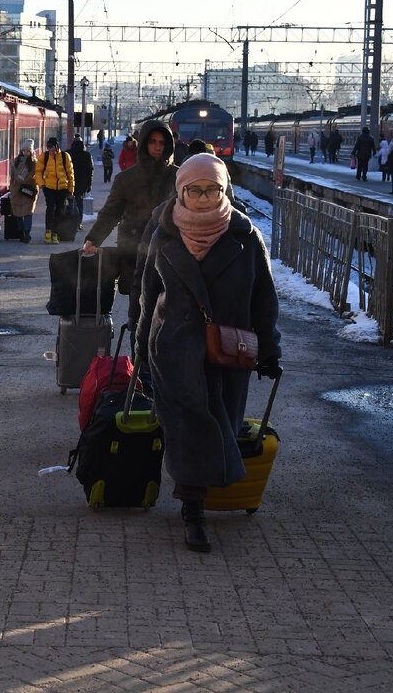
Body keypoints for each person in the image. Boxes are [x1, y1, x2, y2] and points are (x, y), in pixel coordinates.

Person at [135, 153, 281, 552]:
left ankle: (202, 499)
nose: (202, 197)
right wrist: (142, 359)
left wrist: (269, 349)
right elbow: (149, 299)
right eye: (194, 190)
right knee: (188, 429)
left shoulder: (245, 236)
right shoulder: (163, 234)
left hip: (228, 354)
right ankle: (193, 512)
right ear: (181, 190)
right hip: (174, 351)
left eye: (212, 189)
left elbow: (264, 299)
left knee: (220, 427)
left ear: (224, 189)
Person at [83, 120, 177, 299]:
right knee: (137, 302)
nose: (157, 147)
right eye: (152, 142)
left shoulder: (178, 176)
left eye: (162, 142)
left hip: (169, 253)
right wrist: (93, 239)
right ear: (143, 144)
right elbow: (111, 213)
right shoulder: (126, 179)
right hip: (134, 250)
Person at [35, 136, 74, 244]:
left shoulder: (65, 156)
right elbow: (38, 171)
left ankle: (55, 233)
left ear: (56, 147)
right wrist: (42, 185)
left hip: (62, 188)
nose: (50, 151)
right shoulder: (45, 156)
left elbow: (70, 174)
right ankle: (48, 231)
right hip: (49, 188)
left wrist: (70, 190)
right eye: (49, 148)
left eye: (52, 148)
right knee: (50, 208)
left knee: (59, 211)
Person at [9, 139, 39, 244]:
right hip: (17, 191)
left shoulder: (34, 163)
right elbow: (12, 177)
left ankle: (27, 234)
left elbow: (32, 177)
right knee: (17, 214)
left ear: (31, 152)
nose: (25, 153)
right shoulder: (16, 162)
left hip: (28, 192)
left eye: (27, 151)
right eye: (24, 151)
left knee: (27, 214)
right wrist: (11, 187)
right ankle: (21, 233)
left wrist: (20, 179)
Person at [69, 137, 94, 228]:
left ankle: (70, 220)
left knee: (70, 201)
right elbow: (90, 170)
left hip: (70, 181)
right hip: (82, 182)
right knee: (80, 202)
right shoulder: (86, 155)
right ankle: (79, 221)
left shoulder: (68, 153)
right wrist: (89, 184)